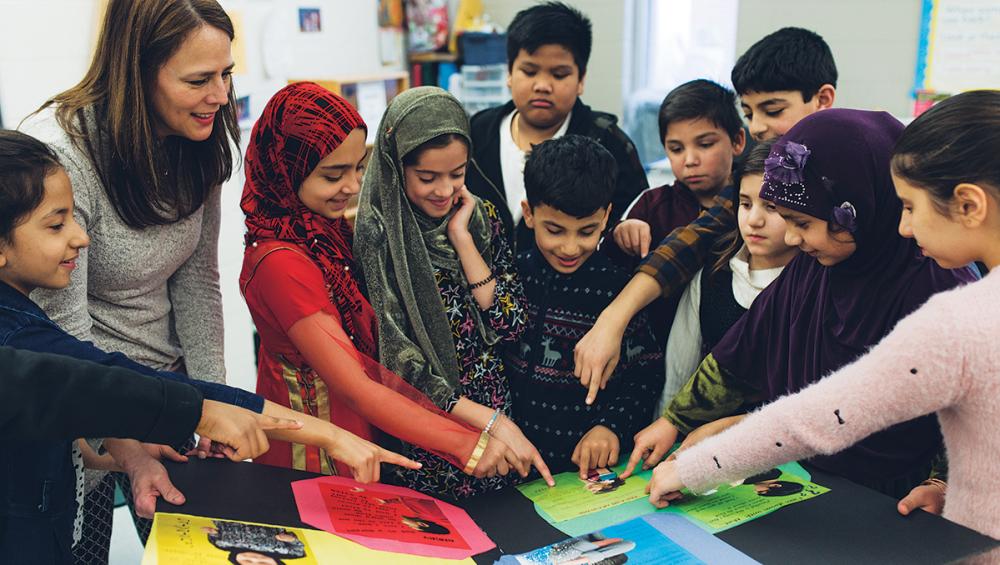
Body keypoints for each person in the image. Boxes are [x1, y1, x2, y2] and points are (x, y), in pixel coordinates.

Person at [0, 129, 416, 565]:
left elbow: (51, 424)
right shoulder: (22, 340)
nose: (81, 238)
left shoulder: (24, 323)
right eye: (55, 224)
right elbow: (121, 383)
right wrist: (326, 434)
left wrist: (121, 456)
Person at [647, 91, 1000, 540]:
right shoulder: (814, 270)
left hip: (897, 509)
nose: (903, 225)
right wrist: (676, 419)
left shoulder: (951, 309)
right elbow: (748, 348)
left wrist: (700, 466)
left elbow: (825, 415)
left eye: (909, 206)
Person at [20, 0, 244, 557]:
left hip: (165, 394)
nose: (219, 95)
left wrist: (212, 405)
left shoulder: (201, 132)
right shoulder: (63, 152)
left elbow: (198, 284)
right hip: (83, 400)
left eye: (226, 74)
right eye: (199, 79)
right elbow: (63, 336)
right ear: (138, 72)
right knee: (81, 549)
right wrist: (127, 443)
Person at [240, 82, 515, 480]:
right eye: (333, 175)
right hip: (314, 453)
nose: (352, 186)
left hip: (360, 436)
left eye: (358, 168)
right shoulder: (282, 263)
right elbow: (356, 386)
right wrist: (467, 443)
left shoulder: (325, 234)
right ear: (286, 170)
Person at [573, 27, 837, 406]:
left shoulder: (849, 170)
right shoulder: (761, 180)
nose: (759, 126)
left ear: (823, 99)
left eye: (773, 111)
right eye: (749, 113)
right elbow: (688, 244)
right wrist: (612, 320)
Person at [355, 86, 553, 498]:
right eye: (427, 177)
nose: (444, 190)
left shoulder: (482, 218)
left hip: (496, 403)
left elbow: (511, 323)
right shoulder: (379, 235)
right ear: (396, 167)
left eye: (457, 174)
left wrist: (463, 240)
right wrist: (486, 422)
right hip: (430, 425)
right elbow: (397, 361)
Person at [506, 135, 663, 477]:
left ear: (607, 216)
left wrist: (610, 427)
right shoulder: (511, 277)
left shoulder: (618, 289)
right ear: (529, 213)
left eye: (587, 231)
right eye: (555, 230)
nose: (570, 247)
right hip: (512, 465)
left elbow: (645, 374)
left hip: (585, 473)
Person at [464, 1, 647, 251]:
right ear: (509, 72)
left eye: (559, 75)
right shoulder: (476, 132)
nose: (542, 85)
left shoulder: (608, 143)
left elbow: (637, 223)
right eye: (529, 72)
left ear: (581, 79)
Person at [605, 79, 747, 346]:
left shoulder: (751, 205)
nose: (690, 160)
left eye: (705, 144)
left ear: (738, 141)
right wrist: (619, 237)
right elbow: (611, 274)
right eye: (676, 149)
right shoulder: (652, 205)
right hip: (658, 349)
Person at [658, 139, 796, 413]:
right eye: (745, 204)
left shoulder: (811, 285)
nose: (754, 220)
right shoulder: (714, 273)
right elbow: (679, 372)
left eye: (772, 207)